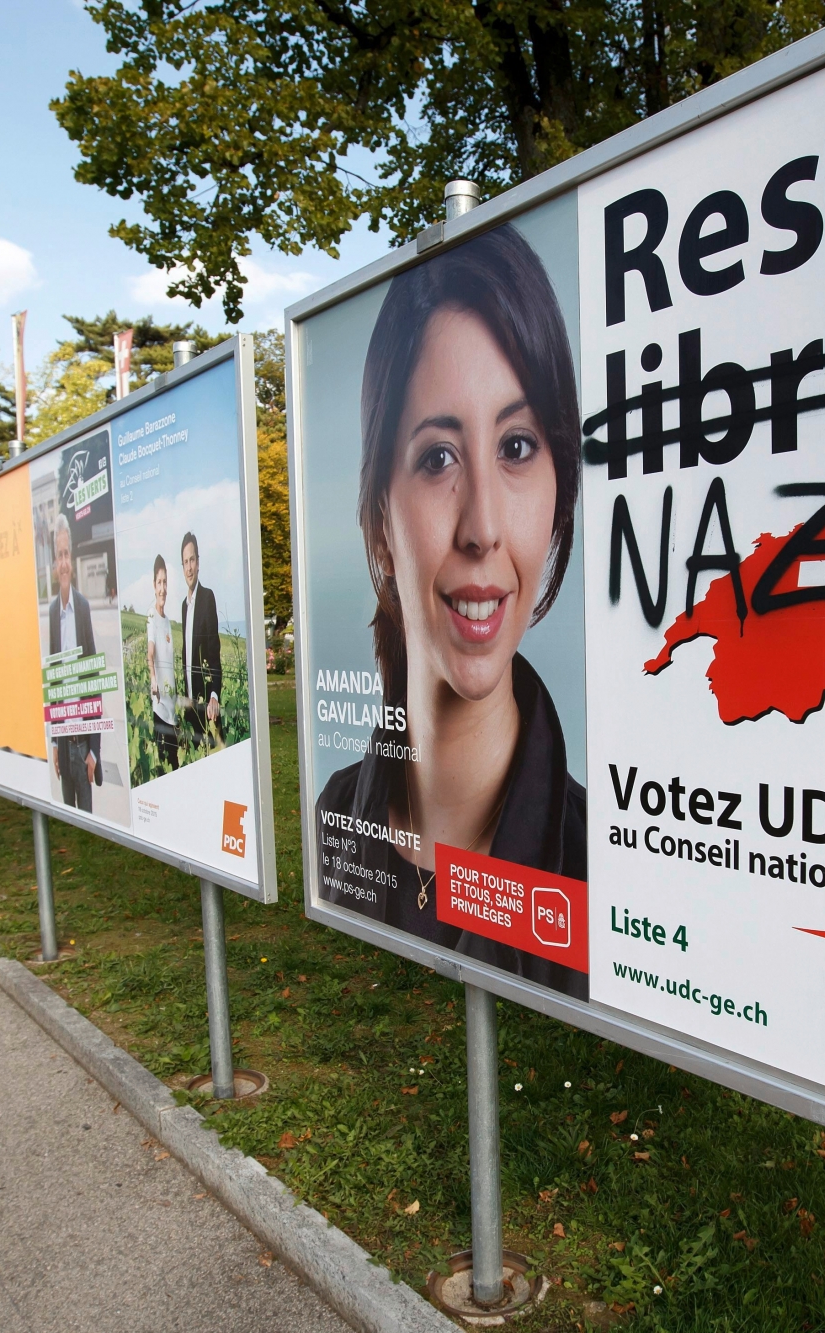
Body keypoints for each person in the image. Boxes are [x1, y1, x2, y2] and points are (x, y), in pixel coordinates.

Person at [315, 224, 587, 1000]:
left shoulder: (599, 864)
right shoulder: (334, 818)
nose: (483, 527)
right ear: (378, 519)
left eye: (518, 446)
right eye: (438, 458)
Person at [46, 511, 101, 810]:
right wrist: (54, 743)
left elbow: (93, 679)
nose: (64, 562)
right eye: (59, 555)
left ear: (72, 558)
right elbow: (54, 684)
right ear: (54, 564)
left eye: (67, 554)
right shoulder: (53, 613)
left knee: (90, 825)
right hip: (64, 748)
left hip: (83, 749)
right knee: (69, 822)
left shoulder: (83, 608)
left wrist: (94, 749)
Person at [179, 531, 222, 749]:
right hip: (189, 708)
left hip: (206, 706)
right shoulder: (184, 606)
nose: (189, 567)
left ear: (198, 563)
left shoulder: (207, 598)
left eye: (192, 560)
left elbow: (214, 653)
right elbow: (186, 653)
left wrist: (214, 695)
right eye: (185, 562)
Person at [147, 555, 179, 774]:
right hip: (160, 707)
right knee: (163, 767)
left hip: (172, 708)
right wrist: (153, 680)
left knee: (175, 765)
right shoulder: (151, 617)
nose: (162, 588)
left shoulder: (168, 622)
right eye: (159, 582)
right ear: (153, 585)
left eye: (165, 582)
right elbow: (150, 654)